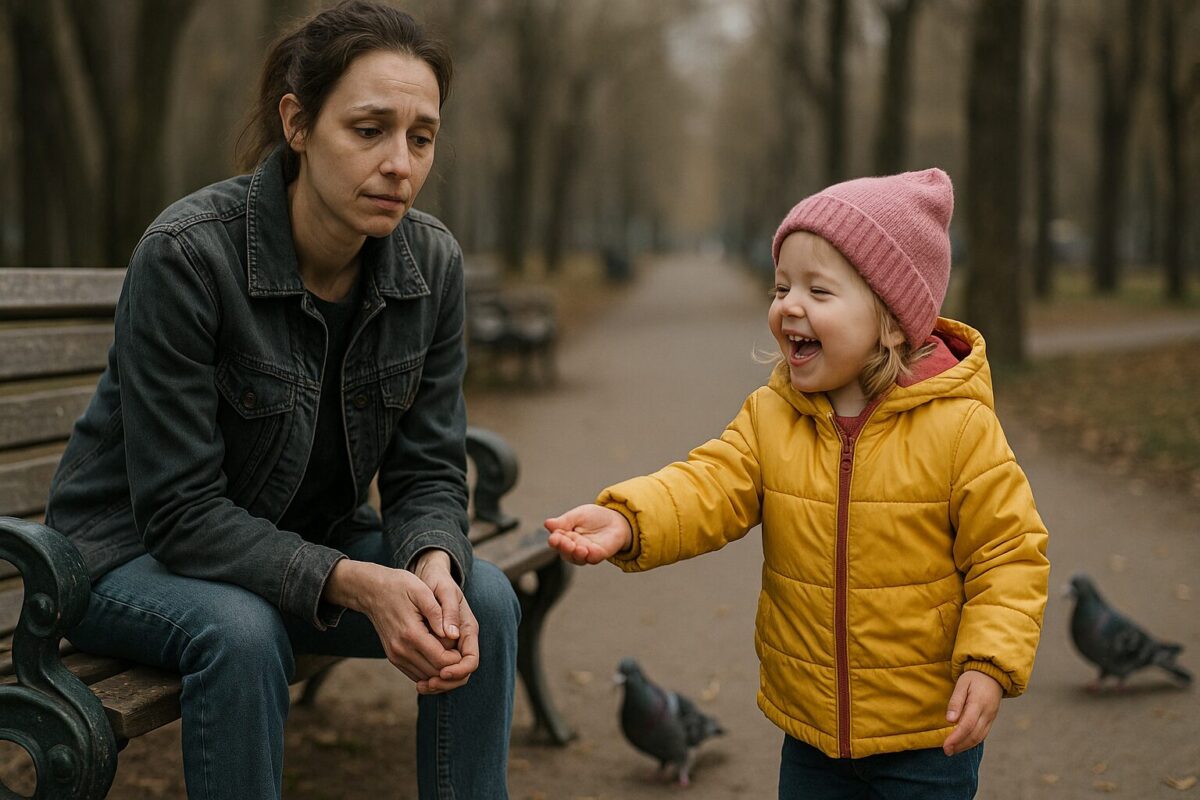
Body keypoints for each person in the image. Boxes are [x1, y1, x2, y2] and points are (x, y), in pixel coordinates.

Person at [45, 2, 518, 798]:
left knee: (486, 600)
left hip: (297, 548)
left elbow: (430, 467)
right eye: (369, 130)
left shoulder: (430, 264)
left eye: (422, 136)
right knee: (240, 631)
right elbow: (179, 512)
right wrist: (355, 579)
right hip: (125, 555)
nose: (400, 163)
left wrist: (430, 562)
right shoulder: (189, 256)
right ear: (296, 124)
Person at [545, 169, 1050, 799]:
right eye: (781, 286)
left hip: (926, 734)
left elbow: (1010, 554)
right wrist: (629, 519)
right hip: (810, 730)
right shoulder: (772, 416)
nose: (789, 306)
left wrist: (988, 663)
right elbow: (708, 483)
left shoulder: (960, 429)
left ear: (892, 321)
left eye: (819, 289)